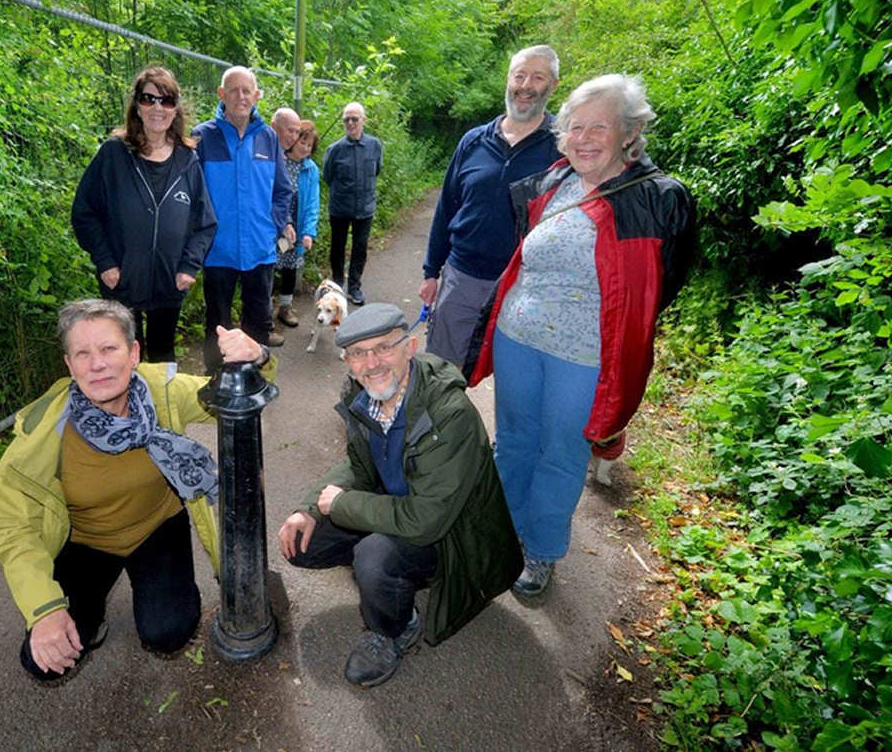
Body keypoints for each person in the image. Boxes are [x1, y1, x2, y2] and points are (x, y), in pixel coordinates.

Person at [465, 74, 696, 599]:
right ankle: (501, 536)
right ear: (562, 134)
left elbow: (666, 281)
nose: (584, 138)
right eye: (575, 127)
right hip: (517, 336)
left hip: (585, 355)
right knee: (514, 441)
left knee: (561, 453)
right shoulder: (554, 181)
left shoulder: (659, 197)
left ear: (629, 134)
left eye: (600, 127)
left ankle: (541, 550)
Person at [0, 298, 271, 683]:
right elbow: (12, 528)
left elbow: (234, 396)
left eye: (108, 349)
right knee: (45, 661)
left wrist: (256, 356)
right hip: (86, 541)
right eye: (82, 354)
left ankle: (156, 592)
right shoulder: (42, 434)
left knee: (168, 633)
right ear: (69, 365)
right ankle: (91, 613)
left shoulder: (162, 391)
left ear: (134, 352)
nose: (97, 364)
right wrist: (44, 610)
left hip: (158, 527)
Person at [277, 304, 521, 687]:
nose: (372, 363)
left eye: (384, 348)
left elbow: (426, 520)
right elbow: (360, 467)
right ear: (347, 361)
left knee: (373, 557)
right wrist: (309, 508)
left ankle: (394, 629)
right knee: (306, 542)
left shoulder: (449, 413)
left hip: (451, 536)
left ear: (410, 347)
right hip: (398, 504)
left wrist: (343, 505)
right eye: (358, 353)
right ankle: (388, 579)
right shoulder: (364, 392)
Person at [418, 45, 563, 367]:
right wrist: (431, 272)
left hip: (528, 289)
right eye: (519, 75)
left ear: (553, 85)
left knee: (517, 388)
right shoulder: (472, 142)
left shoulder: (564, 148)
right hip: (462, 280)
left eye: (537, 77)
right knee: (440, 377)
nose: (525, 86)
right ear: (508, 80)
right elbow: (446, 209)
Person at [71, 66, 216, 362]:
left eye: (166, 100)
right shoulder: (114, 154)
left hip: (169, 281)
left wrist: (189, 267)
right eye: (149, 99)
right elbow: (84, 212)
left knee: (163, 355)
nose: (158, 108)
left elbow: (205, 224)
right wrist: (106, 261)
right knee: (123, 356)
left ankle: (160, 408)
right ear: (137, 106)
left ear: (176, 109)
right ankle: (127, 410)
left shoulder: (187, 160)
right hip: (121, 280)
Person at [194, 66, 295, 368]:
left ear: (257, 96)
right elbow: (192, 195)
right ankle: (217, 383)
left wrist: (277, 226)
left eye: (247, 90)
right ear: (221, 94)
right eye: (234, 90)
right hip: (217, 251)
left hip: (260, 250)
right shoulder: (202, 137)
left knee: (258, 321)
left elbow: (282, 190)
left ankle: (255, 380)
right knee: (217, 323)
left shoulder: (268, 138)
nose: (241, 96)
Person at [323, 102, 383, 306]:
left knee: (360, 248)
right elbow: (328, 176)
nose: (350, 123)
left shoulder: (375, 145)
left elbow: (377, 170)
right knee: (337, 248)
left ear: (363, 120)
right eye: (346, 119)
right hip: (340, 208)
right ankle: (338, 285)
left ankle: (355, 287)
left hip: (365, 208)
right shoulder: (335, 150)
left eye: (354, 118)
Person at [273, 119, 321, 329]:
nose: (305, 148)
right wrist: (284, 223)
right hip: (275, 225)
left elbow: (312, 203)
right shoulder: (278, 160)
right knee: (268, 269)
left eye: (310, 146)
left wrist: (308, 232)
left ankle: (285, 307)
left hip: (297, 228)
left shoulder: (311, 170)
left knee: (290, 269)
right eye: (303, 142)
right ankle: (264, 314)